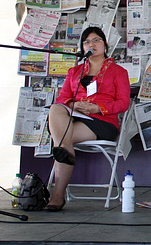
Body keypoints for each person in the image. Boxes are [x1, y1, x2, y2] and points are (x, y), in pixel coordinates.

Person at [45, 27, 131, 211]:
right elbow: (62, 99)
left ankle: (57, 196)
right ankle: (62, 155)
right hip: (75, 119)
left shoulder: (118, 72)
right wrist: (73, 104)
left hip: (102, 122)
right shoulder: (74, 72)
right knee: (55, 108)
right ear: (83, 48)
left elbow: (123, 103)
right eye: (87, 42)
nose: (91, 44)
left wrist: (98, 107)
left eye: (96, 40)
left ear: (105, 44)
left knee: (61, 141)